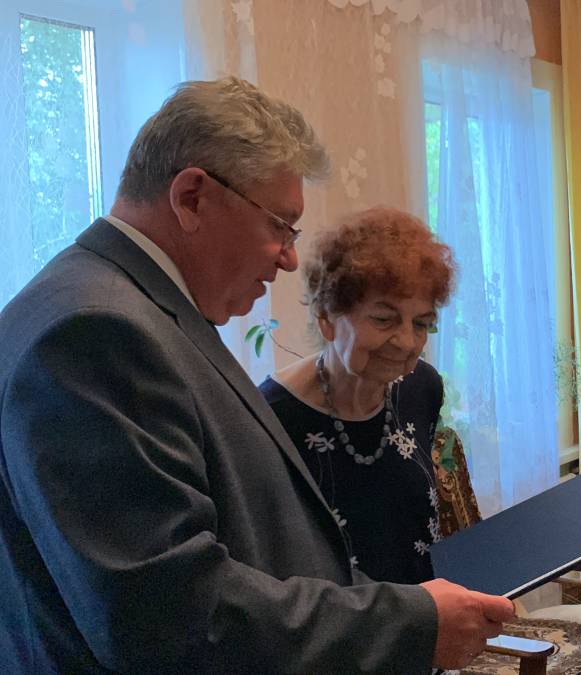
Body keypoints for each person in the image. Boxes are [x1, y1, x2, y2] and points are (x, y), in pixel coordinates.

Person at [0, 77, 512, 673]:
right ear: (192, 197)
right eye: (279, 225)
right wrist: (411, 624)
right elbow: (172, 616)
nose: (289, 258)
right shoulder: (96, 333)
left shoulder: (127, 307)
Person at [259, 207, 452, 587]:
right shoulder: (270, 417)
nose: (406, 342)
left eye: (421, 323)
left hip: (430, 615)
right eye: (383, 319)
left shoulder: (422, 387)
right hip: (339, 623)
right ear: (326, 317)